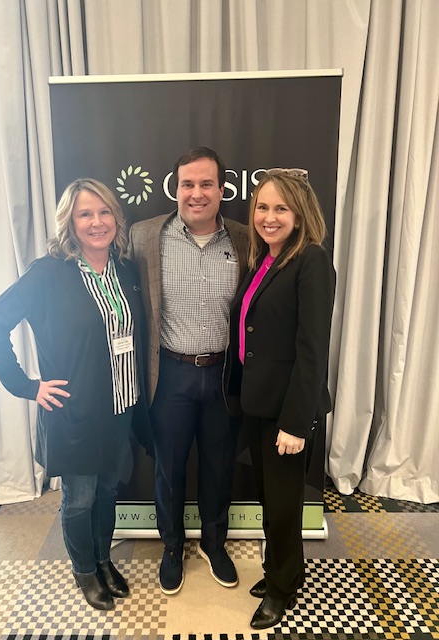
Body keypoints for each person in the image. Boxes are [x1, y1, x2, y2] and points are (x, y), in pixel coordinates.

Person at [0, 178, 151, 611]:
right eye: (85, 214)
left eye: (104, 212)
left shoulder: (125, 270)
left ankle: (103, 560)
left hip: (121, 407)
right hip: (74, 410)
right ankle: (84, 570)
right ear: (69, 223)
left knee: (108, 491)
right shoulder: (48, 273)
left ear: (116, 218)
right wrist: (27, 386)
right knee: (81, 497)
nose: (97, 222)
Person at [128, 147, 249, 594]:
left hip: (223, 375)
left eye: (206, 184)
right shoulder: (145, 236)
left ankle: (214, 544)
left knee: (219, 466)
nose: (196, 193)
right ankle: (173, 547)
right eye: (187, 184)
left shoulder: (244, 238)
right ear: (175, 188)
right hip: (169, 374)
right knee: (169, 469)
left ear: (222, 189)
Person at [225, 169, 335, 629]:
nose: (269, 217)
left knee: (285, 505)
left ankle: (280, 589)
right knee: (270, 499)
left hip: (287, 410)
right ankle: (285, 570)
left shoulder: (311, 260)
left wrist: (295, 422)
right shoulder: (265, 259)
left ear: (300, 213)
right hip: (258, 403)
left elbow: (313, 350)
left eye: (280, 208)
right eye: (262, 207)